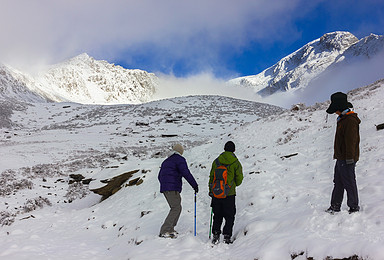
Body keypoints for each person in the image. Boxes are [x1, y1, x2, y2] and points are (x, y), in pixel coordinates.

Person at [325, 92, 361, 214]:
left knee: (349, 182)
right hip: (341, 157)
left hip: (347, 158)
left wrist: (350, 158)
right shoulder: (343, 119)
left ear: (339, 108)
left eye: (335, 109)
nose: (335, 112)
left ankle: (354, 207)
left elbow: (351, 141)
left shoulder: (350, 120)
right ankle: (335, 206)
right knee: (338, 182)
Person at [158, 143, 199, 238]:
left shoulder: (166, 161)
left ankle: (170, 229)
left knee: (177, 207)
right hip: (172, 188)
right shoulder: (179, 159)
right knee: (175, 208)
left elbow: (159, 176)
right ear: (180, 151)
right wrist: (194, 185)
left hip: (168, 188)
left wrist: (165, 185)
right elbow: (186, 173)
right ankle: (165, 230)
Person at [209, 141, 243, 244]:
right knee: (229, 215)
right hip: (229, 194)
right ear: (234, 150)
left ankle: (216, 234)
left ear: (224, 148)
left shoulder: (216, 161)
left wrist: (211, 190)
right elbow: (239, 179)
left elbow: (211, 177)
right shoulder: (235, 162)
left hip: (217, 192)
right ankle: (227, 236)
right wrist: (232, 185)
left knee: (217, 214)